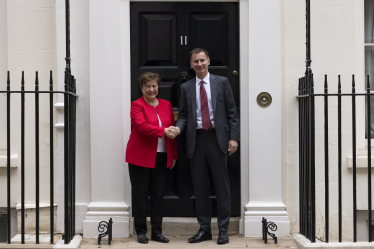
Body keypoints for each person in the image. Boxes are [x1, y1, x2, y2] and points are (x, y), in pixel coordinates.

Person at [172, 48, 240, 244]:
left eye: (202, 60)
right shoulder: (186, 87)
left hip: (218, 139)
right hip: (196, 140)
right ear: (191, 64)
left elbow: (231, 113)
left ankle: (223, 229)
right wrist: (178, 129)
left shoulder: (222, 82)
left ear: (208, 61)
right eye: (195, 61)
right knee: (200, 187)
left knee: (222, 186)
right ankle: (204, 229)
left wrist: (233, 138)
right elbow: (184, 115)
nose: (199, 64)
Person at [125, 72, 178, 244]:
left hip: (162, 156)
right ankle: (141, 231)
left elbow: (172, 130)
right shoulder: (136, 105)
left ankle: (157, 232)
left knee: (158, 195)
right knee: (140, 196)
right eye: (147, 86)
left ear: (158, 87)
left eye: (154, 86)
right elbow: (141, 127)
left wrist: (174, 155)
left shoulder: (166, 104)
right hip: (140, 157)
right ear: (141, 88)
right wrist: (163, 131)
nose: (151, 89)